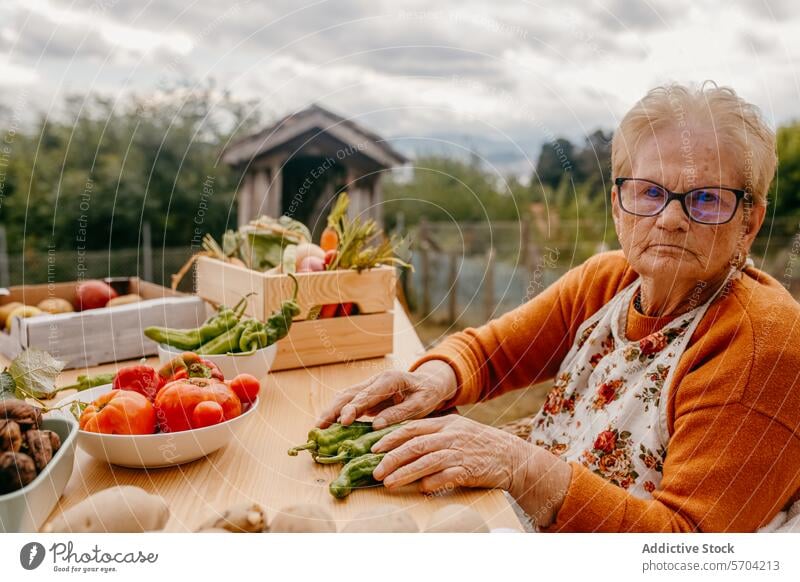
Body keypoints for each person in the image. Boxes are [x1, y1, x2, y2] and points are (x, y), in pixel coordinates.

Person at [318, 82, 800, 532]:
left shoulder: (762, 343)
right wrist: (430, 381)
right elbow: (492, 351)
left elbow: (681, 548)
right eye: (650, 192)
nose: (671, 218)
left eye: (707, 199)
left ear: (750, 222)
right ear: (617, 204)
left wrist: (516, 463)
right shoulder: (610, 280)